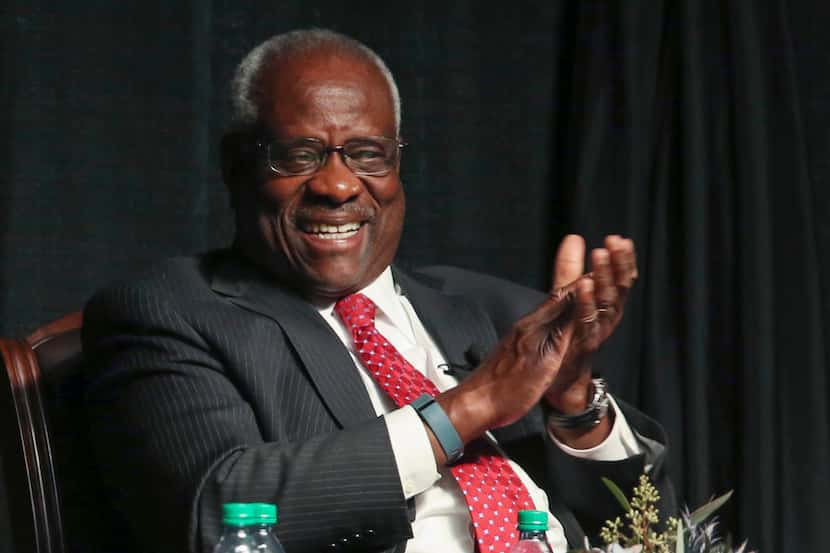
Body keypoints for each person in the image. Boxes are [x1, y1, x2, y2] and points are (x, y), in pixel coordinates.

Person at [82, 28, 674, 553]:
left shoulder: (498, 312)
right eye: (299, 155)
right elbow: (218, 512)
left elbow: (654, 531)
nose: (338, 185)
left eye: (367, 154)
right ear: (237, 167)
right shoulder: (169, 311)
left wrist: (575, 405)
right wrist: (471, 406)